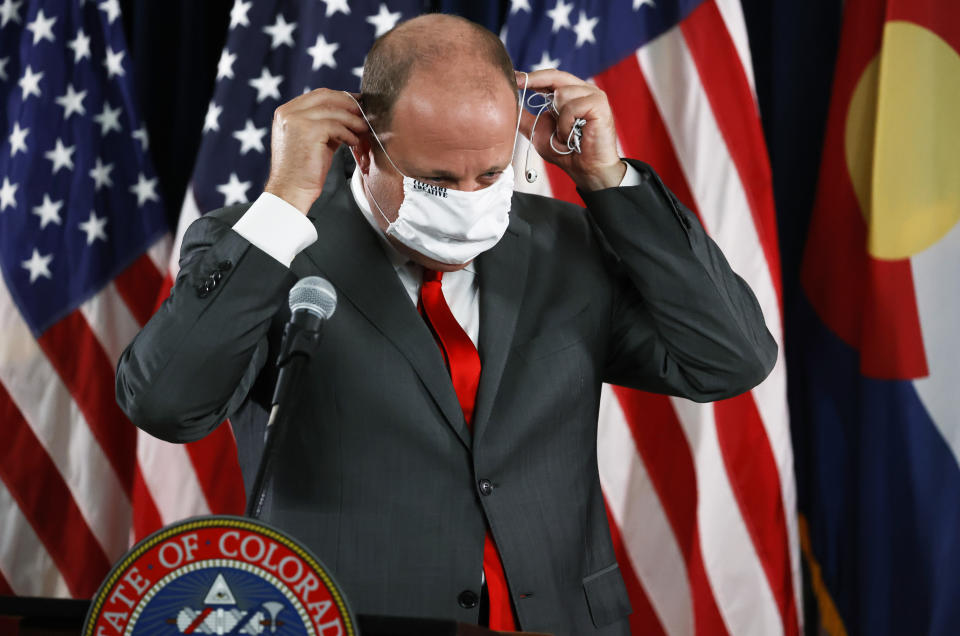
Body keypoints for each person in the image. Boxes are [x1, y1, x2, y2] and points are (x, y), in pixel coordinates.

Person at [116, 13, 777, 635]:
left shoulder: (566, 245)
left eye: (490, 173)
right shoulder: (265, 247)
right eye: (435, 180)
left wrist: (607, 180)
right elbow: (168, 405)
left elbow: (731, 358)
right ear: (364, 149)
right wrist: (286, 200)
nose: (468, 201)